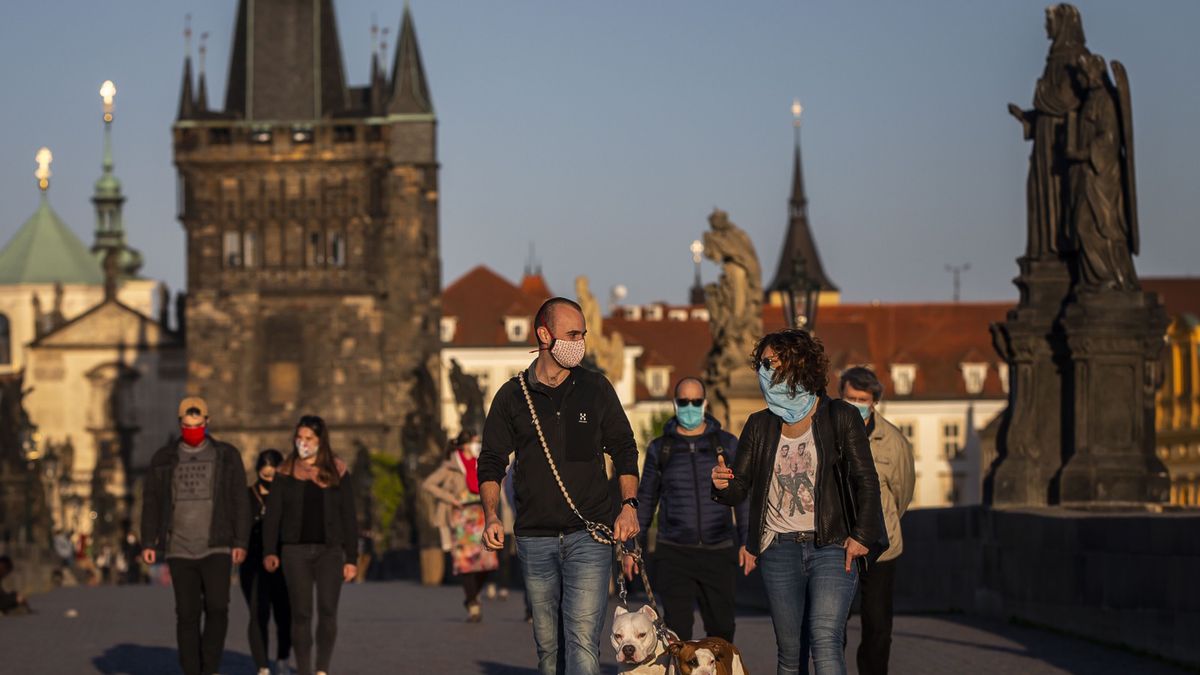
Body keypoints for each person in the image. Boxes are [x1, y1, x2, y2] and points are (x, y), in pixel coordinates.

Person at [478, 297, 640, 675]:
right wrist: (490, 515)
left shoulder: (595, 388)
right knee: (549, 649)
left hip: (590, 535)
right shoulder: (512, 396)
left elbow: (624, 448)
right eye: (572, 333)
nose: (580, 341)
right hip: (535, 537)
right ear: (544, 334)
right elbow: (490, 461)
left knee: (583, 639)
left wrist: (629, 504)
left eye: (583, 333)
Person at [712, 329, 883, 675]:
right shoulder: (759, 425)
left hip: (832, 545)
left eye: (772, 363)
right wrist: (721, 484)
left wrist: (862, 536)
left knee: (825, 640)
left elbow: (865, 480)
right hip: (779, 549)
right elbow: (739, 487)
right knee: (790, 653)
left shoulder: (840, 416)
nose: (765, 371)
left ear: (799, 364)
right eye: (762, 364)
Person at [623, 376, 749, 642]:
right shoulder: (661, 448)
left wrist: (747, 542)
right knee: (677, 634)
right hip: (675, 552)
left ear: (703, 403)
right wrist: (633, 549)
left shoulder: (726, 444)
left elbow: (743, 496)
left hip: (718, 549)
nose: (689, 406)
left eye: (695, 401)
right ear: (675, 403)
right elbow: (646, 500)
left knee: (722, 633)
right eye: (684, 401)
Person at [140, 397, 251, 675]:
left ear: (207, 422)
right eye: (187, 426)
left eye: (198, 425)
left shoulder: (227, 455)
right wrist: (148, 540)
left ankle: (209, 667)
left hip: (218, 543)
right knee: (187, 614)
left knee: (217, 608)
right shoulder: (163, 458)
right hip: (179, 546)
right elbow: (151, 500)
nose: (193, 430)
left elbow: (239, 499)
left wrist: (240, 541)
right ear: (180, 424)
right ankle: (191, 670)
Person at [263, 415, 358, 675]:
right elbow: (273, 515)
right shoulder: (285, 471)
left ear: (320, 440)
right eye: (299, 438)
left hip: (329, 551)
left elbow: (348, 515)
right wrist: (269, 550)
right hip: (295, 552)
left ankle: (322, 668)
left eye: (309, 439)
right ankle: (303, 670)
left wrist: (352, 558)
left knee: (328, 610)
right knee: (302, 613)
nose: (303, 443)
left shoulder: (337, 470)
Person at [839, 367, 914, 675]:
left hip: (882, 548)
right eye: (849, 398)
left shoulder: (893, 441)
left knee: (878, 626)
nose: (856, 404)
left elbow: (903, 493)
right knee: (832, 625)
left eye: (862, 399)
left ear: (874, 403)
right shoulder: (830, 434)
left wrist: (882, 524)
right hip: (839, 543)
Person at [423, 430, 500, 622]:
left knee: (487, 562)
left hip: (481, 515)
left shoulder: (481, 461)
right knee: (466, 563)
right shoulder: (451, 465)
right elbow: (429, 484)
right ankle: (473, 603)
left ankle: (472, 596)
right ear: (464, 444)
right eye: (473, 442)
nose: (476, 445)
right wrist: (450, 498)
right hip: (460, 517)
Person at [242, 449, 293, 675]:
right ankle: (262, 665)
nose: (269, 480)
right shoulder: (247, 496)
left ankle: (282, 657)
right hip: (252, 563)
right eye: (265, 476)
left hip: (283, 562)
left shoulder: (288, 495)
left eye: (274, 476)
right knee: (257, 613)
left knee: (285, 613)